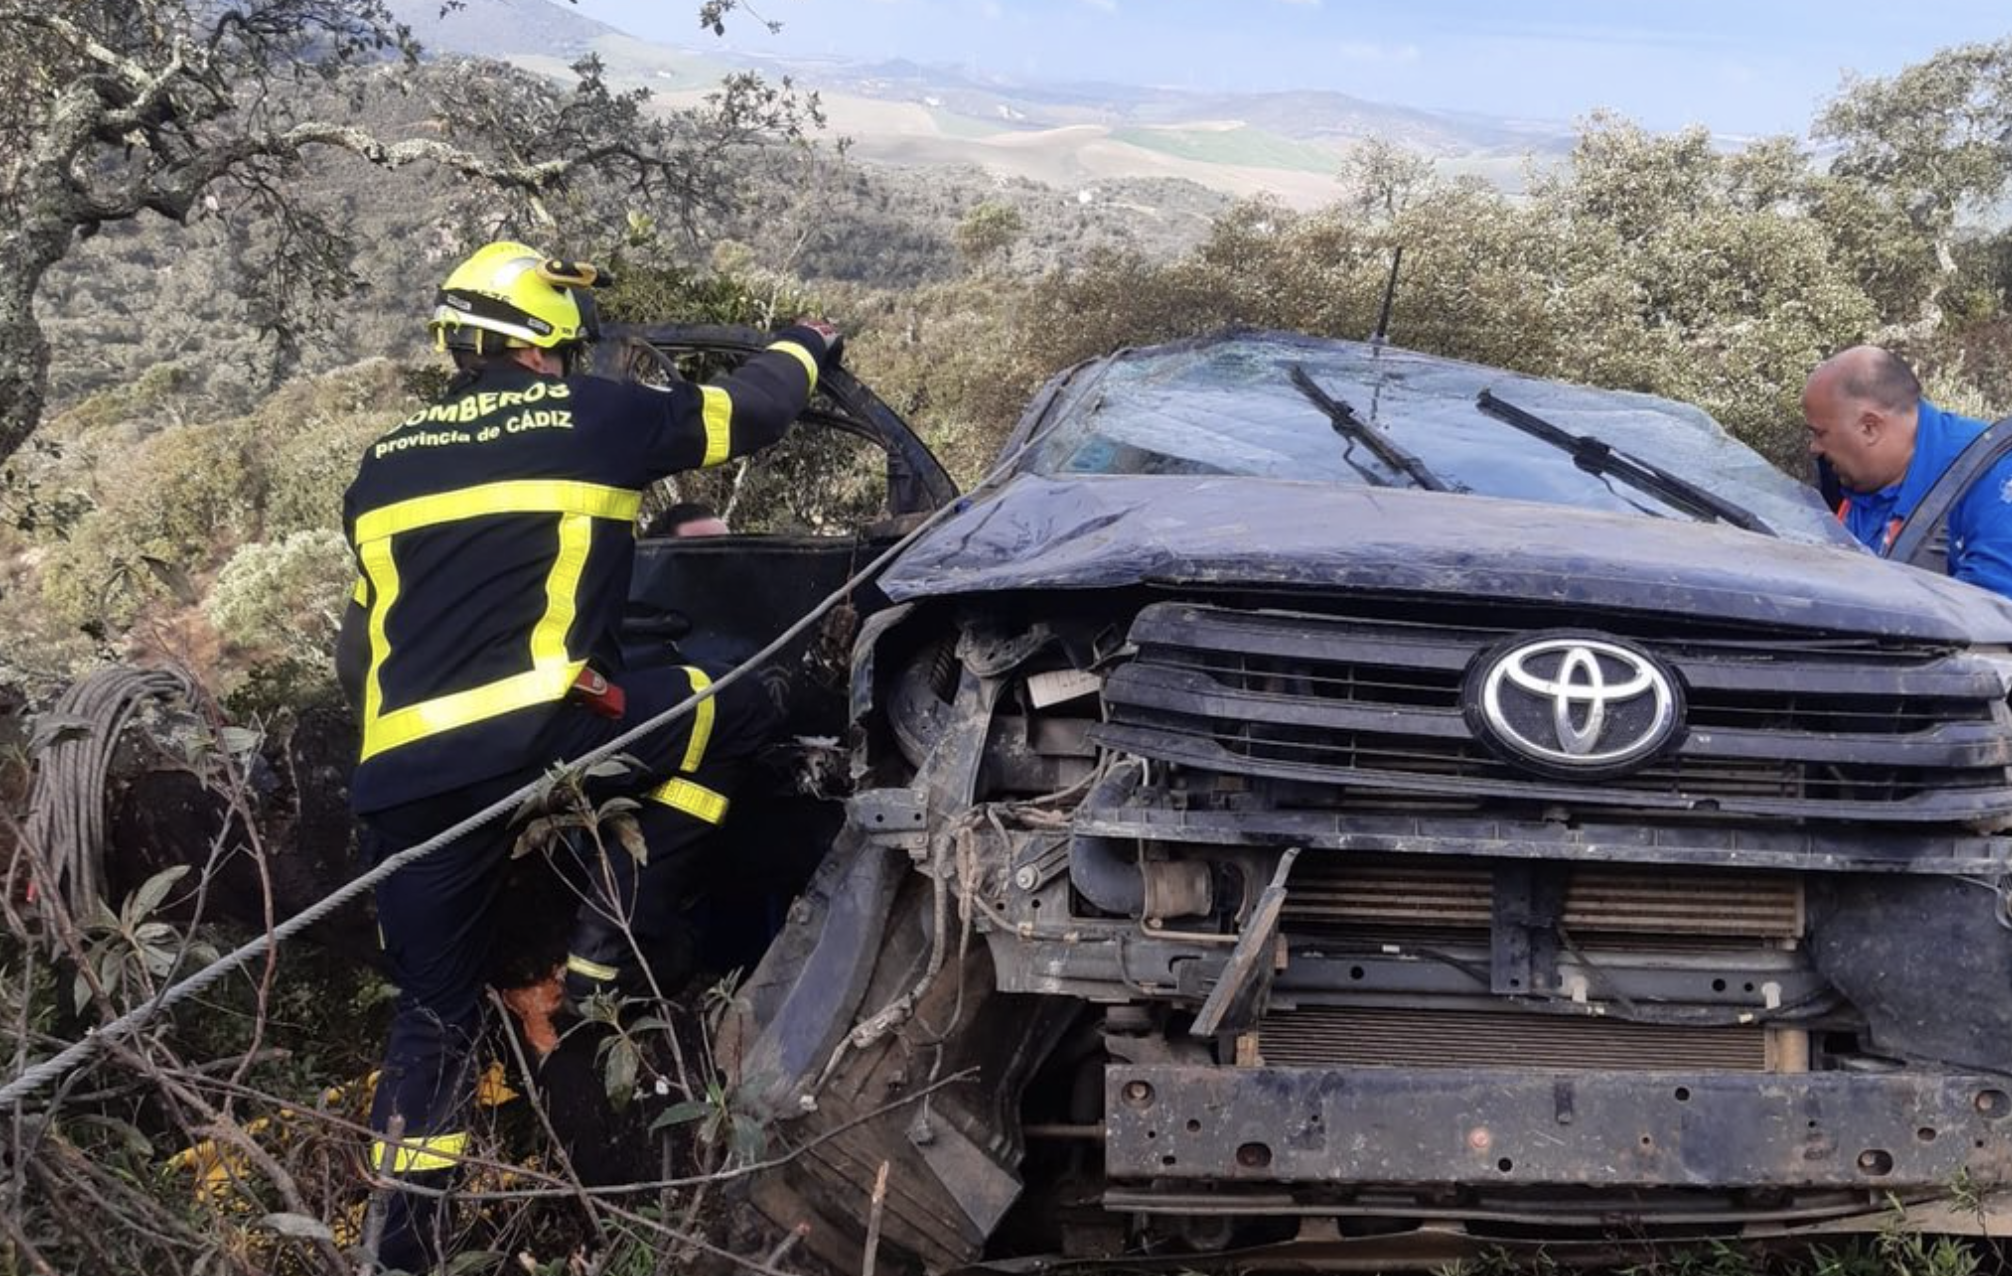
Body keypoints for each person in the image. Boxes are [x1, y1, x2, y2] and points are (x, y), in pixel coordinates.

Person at [334, 239, 839, 1269]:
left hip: (408, 780)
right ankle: (609, 960)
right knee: (732, 707)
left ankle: (401, 1251)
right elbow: (752, 412)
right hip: (554, 739)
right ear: (548, 343)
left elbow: (359, 650)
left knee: (431, 1015)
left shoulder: (381, 470)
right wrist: (803, 344)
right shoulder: (594, 416)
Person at [1804, 345, 2012, 597]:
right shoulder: (1859, 479)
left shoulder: (1994, 475)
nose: (1814, 448)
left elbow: (1993, 612)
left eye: (1820, 433)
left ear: (1870, 427)